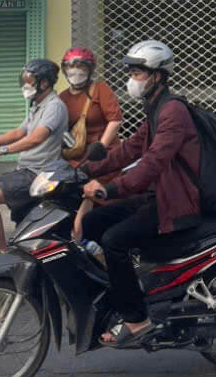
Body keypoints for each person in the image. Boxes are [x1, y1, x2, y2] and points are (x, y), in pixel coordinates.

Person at [80, 39, 200, 348]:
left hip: (173, 202)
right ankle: (126, 285)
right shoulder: (156, 109)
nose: (131, 80)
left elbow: (153, 162)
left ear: (157, 76)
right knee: (91, 223)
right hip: (157, 195)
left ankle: (137, 319)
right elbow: (130, 148)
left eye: (136, 74)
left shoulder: (173, 111)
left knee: (113, 241)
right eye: (131, 74)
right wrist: (87, 169)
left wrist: (111, 188)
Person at [0, 59, 68, 253]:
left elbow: (36, 138)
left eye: (29, 81)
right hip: (25, 170)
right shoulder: (37, 105)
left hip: (39, 173)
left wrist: (1, 151)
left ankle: (2, 252)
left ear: (44, 83)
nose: (25, 85)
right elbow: (18, 132)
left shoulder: (54, 106)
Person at [57, 46, 123, 243]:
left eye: (81, 67)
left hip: (103, 157)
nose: (75, 71)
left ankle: (80, 241)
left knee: (87, 201)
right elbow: (62, 131)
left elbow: (115, 120)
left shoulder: (100, 89)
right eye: (71, 67)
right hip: (77, 160)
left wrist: (101, 146)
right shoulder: (62, 98)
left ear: (90, 69)